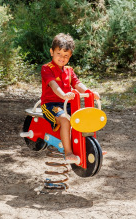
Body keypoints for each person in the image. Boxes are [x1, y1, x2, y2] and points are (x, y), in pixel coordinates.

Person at [40, 33, 100, 163]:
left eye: (66, 55)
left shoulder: (69, 70)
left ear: (70, 56)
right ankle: (68, 152)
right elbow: (53, 85)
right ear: (52, 52)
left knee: (83, 118)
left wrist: (90, 92)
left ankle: (89, 147)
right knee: (65, 121)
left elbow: (77, 84)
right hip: (51, 105)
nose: (62, 58)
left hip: (67, 103)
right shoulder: (47, 68)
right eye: (59, 54)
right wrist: (63, 95)